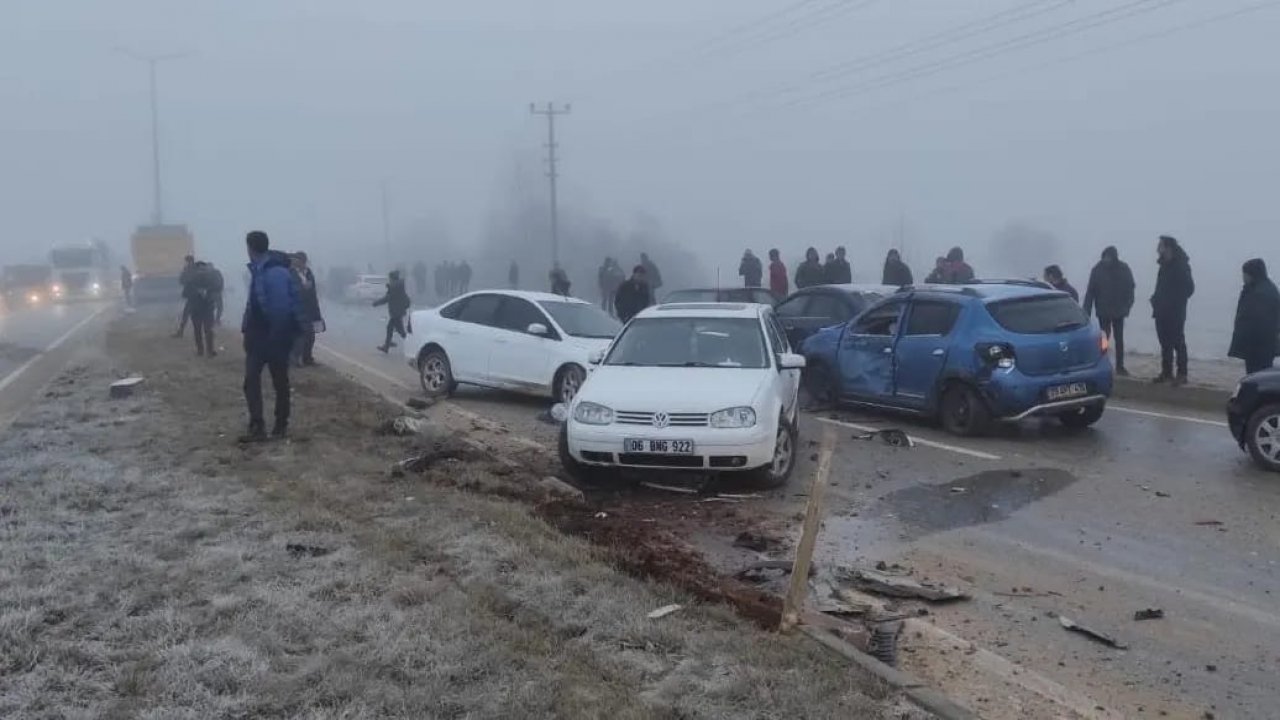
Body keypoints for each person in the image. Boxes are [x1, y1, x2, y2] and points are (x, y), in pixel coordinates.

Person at [241, 231, 299, 441]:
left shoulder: (273, 272)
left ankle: (276, 426)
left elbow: (281, 307)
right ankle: (262, 425)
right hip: (261, 336)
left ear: (250, 248)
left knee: (275, 382)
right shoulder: (261, 269)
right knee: (258, 381)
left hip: (270, 336)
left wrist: (275, 333)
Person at [1083, 246, 1136, 376]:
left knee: (1119, 339)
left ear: (1114, 257)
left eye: (1109, 257)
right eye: (1105, 257)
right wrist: (1086, 312)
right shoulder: (1097, 270)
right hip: (1103, 311)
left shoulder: (1124, 269)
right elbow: (1090, 292)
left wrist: (1127, 306)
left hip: (1119, 311)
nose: (1106, 260)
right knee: (1104, 339)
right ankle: (1103, 363)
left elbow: (1131, 288)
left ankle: (1120, 366)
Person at [1150, 235, 1194, 385]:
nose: (1157, 249)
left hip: (1175, 311)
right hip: (1161, 310)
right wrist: (1155, 299)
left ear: (1167, 248)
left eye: (1160, 246)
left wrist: (1173, 301)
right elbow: (1161, 287)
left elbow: (1189, 288)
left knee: (1178, 342)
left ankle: (1182, 374)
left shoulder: (1181, 265)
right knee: (1165, 343)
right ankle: (1166, 372)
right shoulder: (1164, 265)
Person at [1229, 258, 1280, 374]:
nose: (1243, 277)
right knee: (1258, 374)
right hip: (1261, 344)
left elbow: (1257, 321)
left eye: (1245, 274)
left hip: (1259, 345)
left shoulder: (1261, 293)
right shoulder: (1260, 288)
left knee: (1257, 375)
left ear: (1253, 274)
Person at [291, 252, 322, 367]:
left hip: (309, 308)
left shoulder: (309, 273)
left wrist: (316, 312)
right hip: (296, 308)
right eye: (294, 260)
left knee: (310, 335)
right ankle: (295, 359)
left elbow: (313, 293)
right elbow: (292, 289)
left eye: (297, 260)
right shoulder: (291, 273)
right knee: (298, 335)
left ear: (303, 261)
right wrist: (303, 288)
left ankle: (307, 358)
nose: (295, 262)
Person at [374, 270, 412, 353]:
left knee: (399, 331)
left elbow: (387, 298)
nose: (389, 280)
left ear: (392, 278)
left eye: (390, 278)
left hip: (396, 312)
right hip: (398, 311)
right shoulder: (397, 286)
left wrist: (376, 303)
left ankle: (412, 343)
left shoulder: (394, 287)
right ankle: (387, 345)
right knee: (391, 328)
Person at [188, 261, 218, 357]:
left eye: (203, 269)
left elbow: (217, 288)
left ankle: (210, 350)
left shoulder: (211, 279)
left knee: (208, 330)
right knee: (197, 330)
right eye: (200, 269)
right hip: (196, 309)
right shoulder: (191, 280)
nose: (202, 271)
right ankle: (200, 350)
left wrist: (207, 291)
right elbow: (185, 293)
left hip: (208, 308)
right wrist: (197, 292)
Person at [173, 255, 196, 338]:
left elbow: (181, 280)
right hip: (200, 296)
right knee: (202, 315)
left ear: (188, 261)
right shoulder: (199, 269)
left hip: (191, 295)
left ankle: (181, 332)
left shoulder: (187, 270)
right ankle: (208, 332)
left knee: (186, 314)